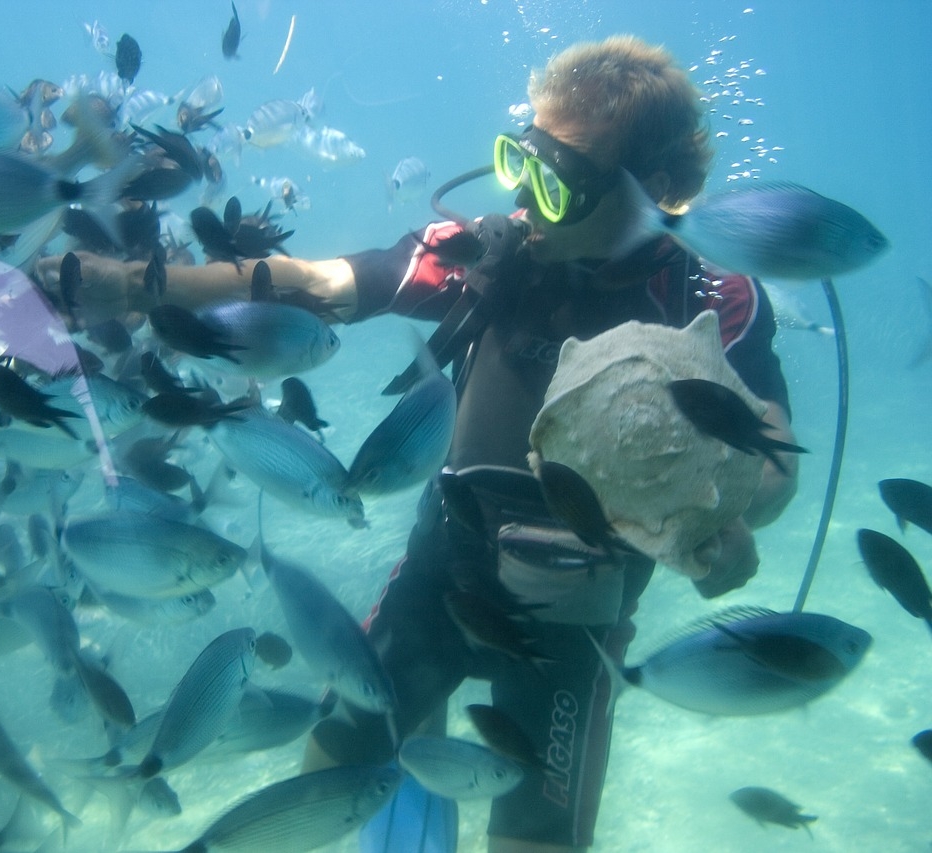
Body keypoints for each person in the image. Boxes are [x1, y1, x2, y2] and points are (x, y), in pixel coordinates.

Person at [40, 35, 799, 853]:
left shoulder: (707, 295)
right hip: (438, 584)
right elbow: (322, 282)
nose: (527, 198)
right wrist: (141, 286)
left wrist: (729, 519)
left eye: (557, 181)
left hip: (575, 629)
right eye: (520, 163)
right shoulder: (492, 254)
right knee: (321, 786)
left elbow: (773, 461)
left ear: (657, 189)